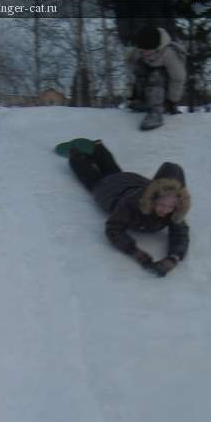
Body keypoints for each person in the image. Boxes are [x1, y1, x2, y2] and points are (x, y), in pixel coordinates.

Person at [68, 140, 190, 276]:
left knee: (115, 172)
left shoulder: (175, 211)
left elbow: (180, 234)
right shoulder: (131, 204)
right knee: (91, 177)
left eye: (171, 206)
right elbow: (113, 228)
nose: (165, 210)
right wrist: (134, 251)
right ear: (153, 197)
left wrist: (173, 258)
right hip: (109, 190)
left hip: (132, 181)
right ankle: (75, 155)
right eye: (161, 204)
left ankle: (99, 148)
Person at [128, 25, 187, 131]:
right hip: (151, 86)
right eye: (142, 51)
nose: (145, 53)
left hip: (166, 88)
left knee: (157, 74)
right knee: (140, 68)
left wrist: (172, 101)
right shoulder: (139, 50)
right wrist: (135, 92)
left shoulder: (169, 53)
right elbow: (132, 64)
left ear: (156, 47)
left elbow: (178, 78)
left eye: (148, 51)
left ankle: (156, 112)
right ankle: (144, 101)